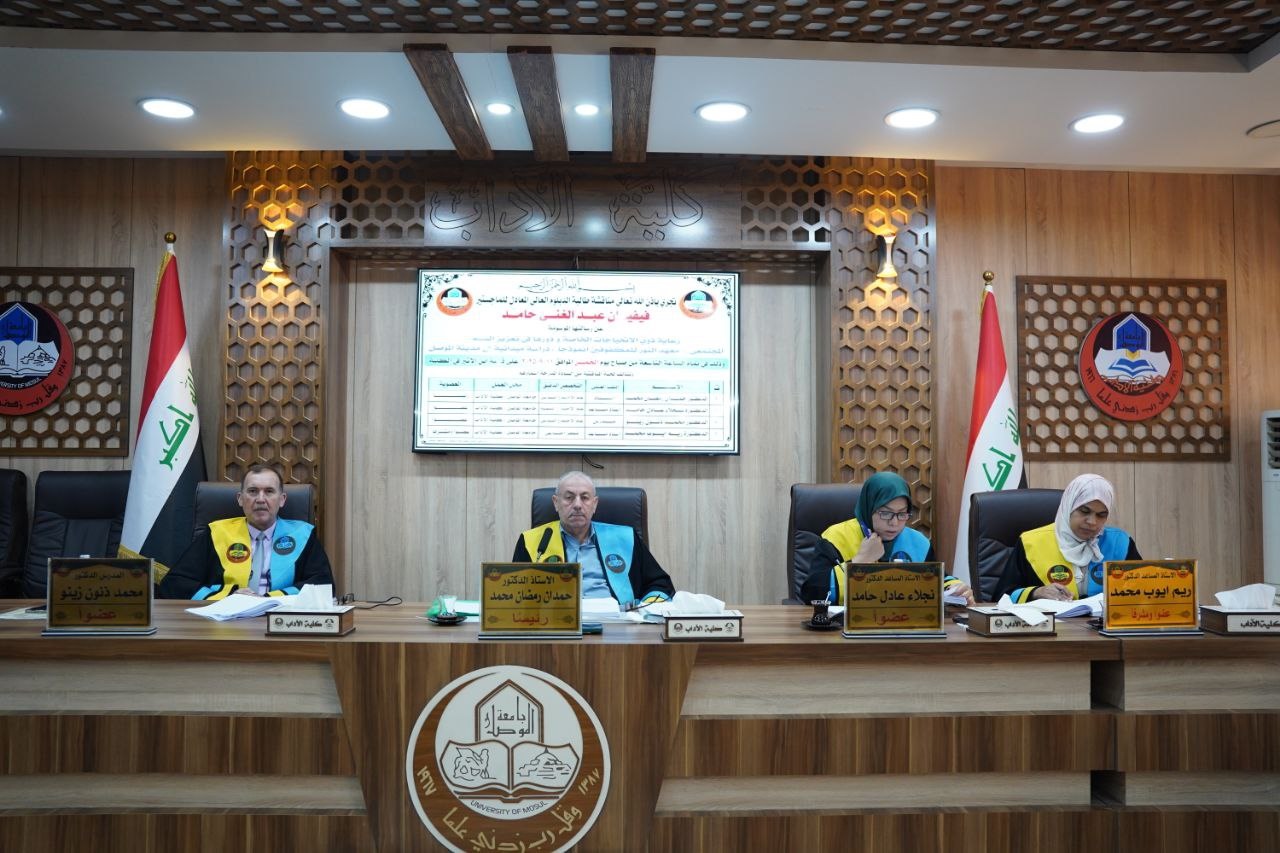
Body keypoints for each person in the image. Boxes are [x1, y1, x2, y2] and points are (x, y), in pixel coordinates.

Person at [158, 463, 334, 600]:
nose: (260, 499)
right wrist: (228, 597)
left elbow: (323, 586)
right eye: (252, 491)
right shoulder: (216, 533)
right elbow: (175, 583)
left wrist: (269, 599)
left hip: (279, 619)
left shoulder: (302, 535)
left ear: (282, 499)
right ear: (240, 499)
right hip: (225, 621)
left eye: (269, 491)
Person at [800, 472, 975, 605]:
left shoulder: (918, 543)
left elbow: (938, 580)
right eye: (885, 513)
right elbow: (811, 593)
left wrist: (957, 589)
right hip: (846, 633)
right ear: (869, 507)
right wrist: (860, 562)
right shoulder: (836, 538)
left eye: (902, 514)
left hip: (905, 631)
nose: (894, 523)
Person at [512, 471, 674, 607]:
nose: (577, 505)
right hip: (557, 624)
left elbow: (660, 584)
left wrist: (643, 609)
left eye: (584, 497)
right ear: (556, 502)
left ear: (594, 504)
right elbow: (515, 593)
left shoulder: (625, 538)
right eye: (569, 497)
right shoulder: (532, 542)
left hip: (617, 624)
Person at [997, 473, 1141, 603]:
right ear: (1068, 506)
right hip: (1051, 623)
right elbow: (1001, 597)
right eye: (1084, 511)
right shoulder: (1031, 543)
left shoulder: (1120, 543)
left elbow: (1144, 591)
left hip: (1105, 623)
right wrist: (1036, 592)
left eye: (1101, 515)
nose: (1092, 522)